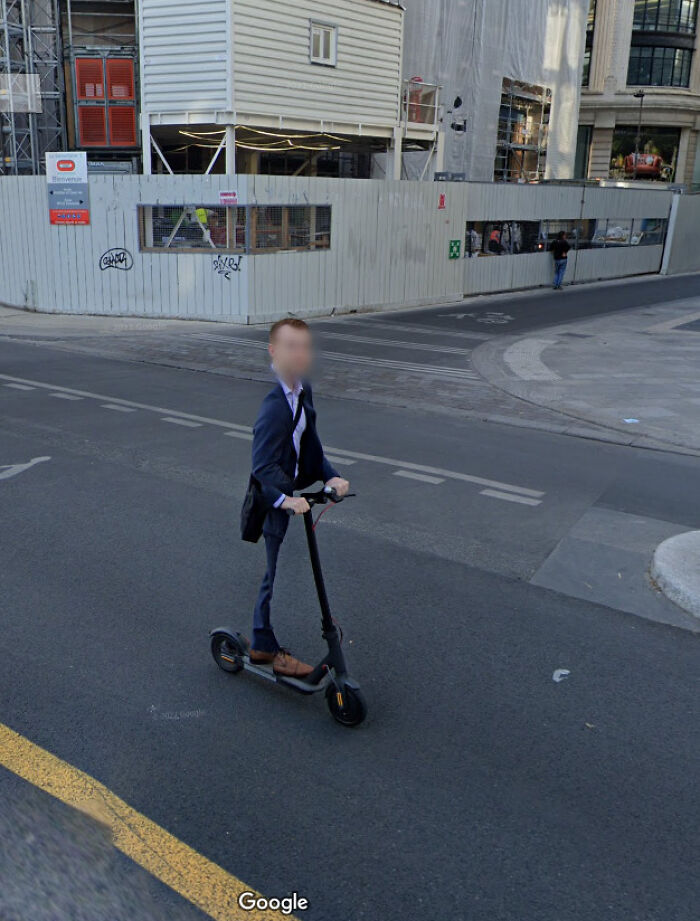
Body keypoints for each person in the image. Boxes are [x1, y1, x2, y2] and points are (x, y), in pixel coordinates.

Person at [248, 318, 350, 678]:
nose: (301, 354)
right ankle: (264, 644)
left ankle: (263, 639)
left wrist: (331, 475)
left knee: (279, 570)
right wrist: (285, 501)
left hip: (294, 490)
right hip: (273, 497)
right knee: (273, 574)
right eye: (291, 346)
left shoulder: (302, 389)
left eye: (305, 346)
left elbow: (310, 445)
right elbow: (261, 469)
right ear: (274, 352)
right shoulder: (273, 406)